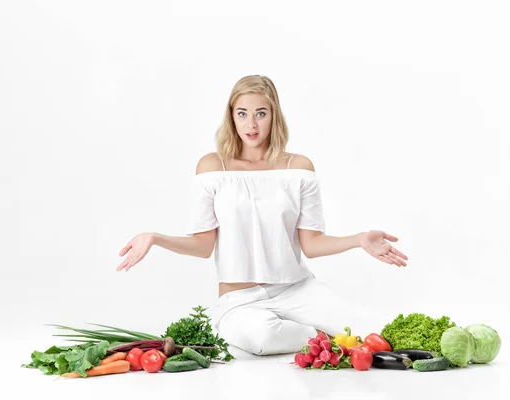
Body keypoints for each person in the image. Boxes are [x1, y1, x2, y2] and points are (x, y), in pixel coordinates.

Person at [116, 75, 409, 356]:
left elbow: (312, 244)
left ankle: (331, 332)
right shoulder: (212, 168)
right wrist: (154, 238)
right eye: (242, 114)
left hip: (297, 290)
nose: (251, 124)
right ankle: (320, 336)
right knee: (262, 337)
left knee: (380, 329)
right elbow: (203, 245)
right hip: (239, 300)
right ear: (231, 116)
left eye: (261, 113)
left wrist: (358, 239)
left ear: (274, 116)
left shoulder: (298, 168)